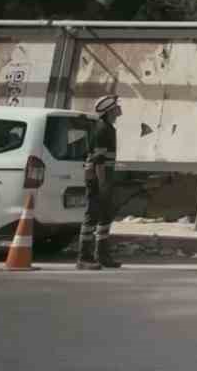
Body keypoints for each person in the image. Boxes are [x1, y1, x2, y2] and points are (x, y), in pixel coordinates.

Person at [77, 94, 123, 271]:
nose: (119, 108)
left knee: (105, 216)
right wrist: (103, 185)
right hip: (97, 179)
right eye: (116, 106)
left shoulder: (109, 128)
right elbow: (99, 160)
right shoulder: (102, 129)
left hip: (104, 178)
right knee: (92, 215)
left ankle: (102, 255)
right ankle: (84, 258)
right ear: (109, 110)